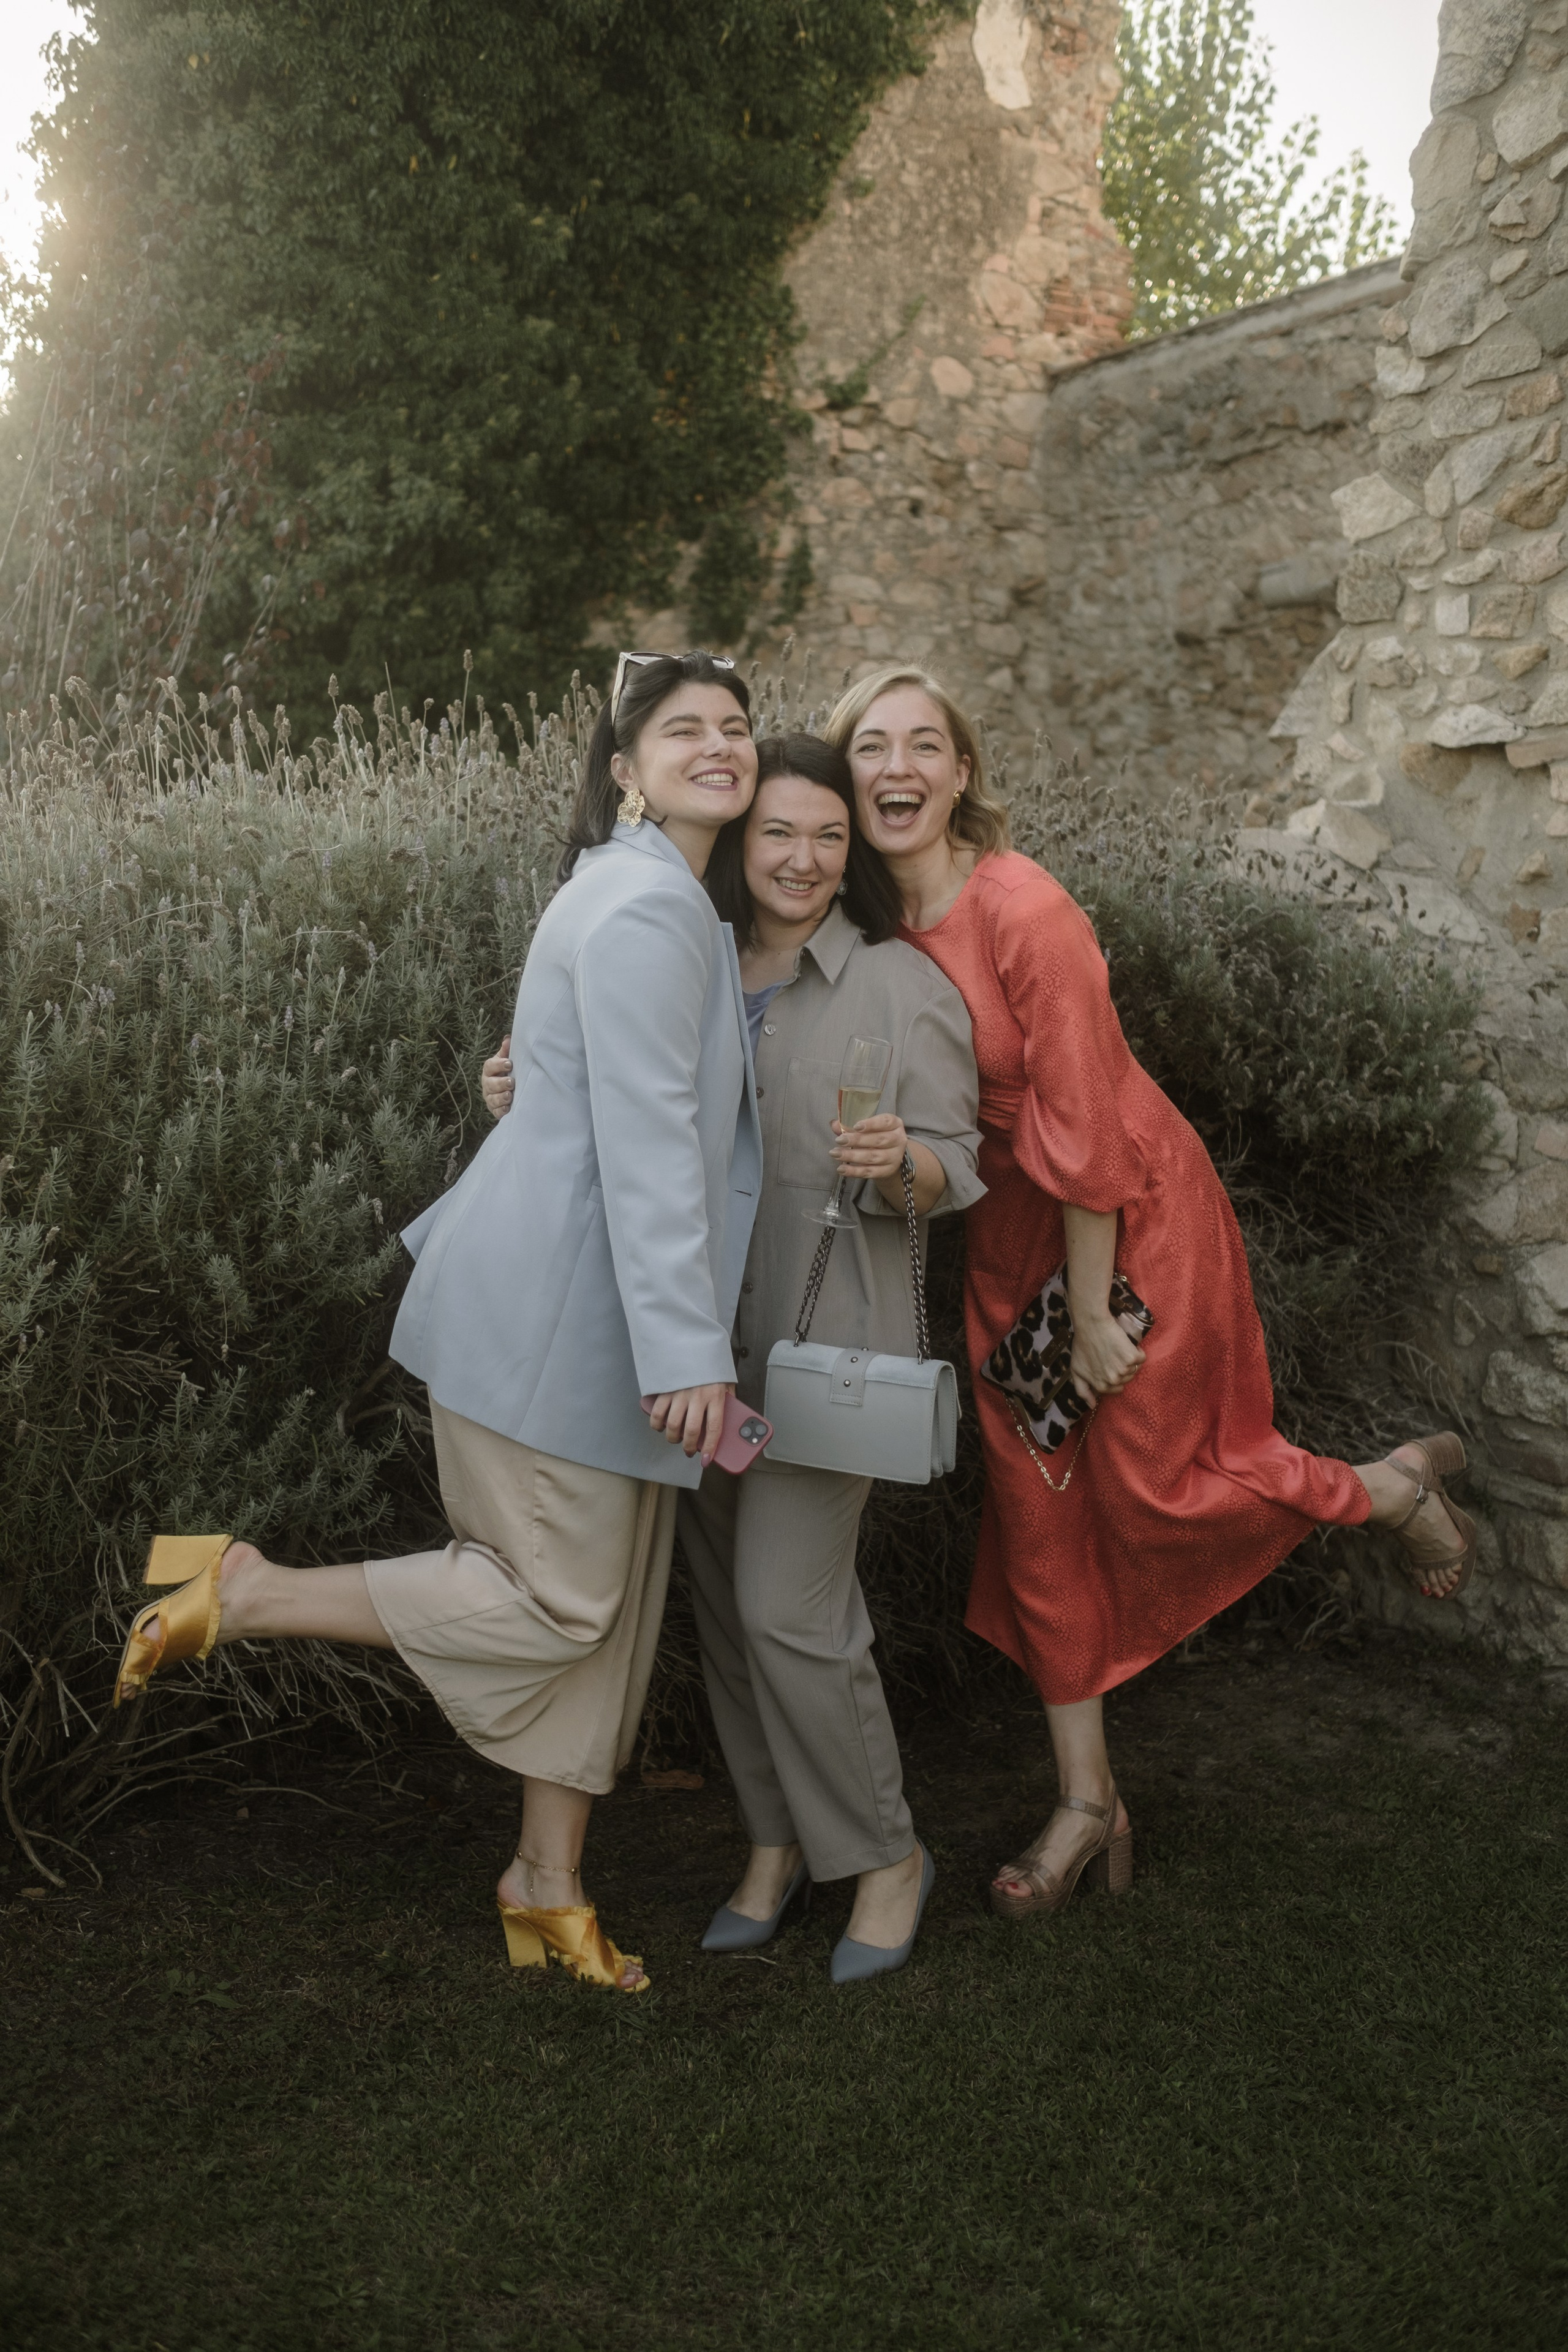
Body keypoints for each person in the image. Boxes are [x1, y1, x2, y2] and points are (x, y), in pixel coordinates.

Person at [113, 650, 764, 1994]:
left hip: (566, 1311)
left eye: (737, 727)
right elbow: (646, 1146)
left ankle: (546, 1884)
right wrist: (688, 1350)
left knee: (607, 1615)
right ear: (626, 770)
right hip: (567, 1325)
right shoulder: (646, 909)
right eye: (682, 728)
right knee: (559, 1602)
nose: (719, 745)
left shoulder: (639, 896)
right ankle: (244, 1591)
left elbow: (572, 1095)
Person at [823, 663, 1479, 1922]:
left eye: (922, 744)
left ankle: (1383, 1492)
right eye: (868, 748)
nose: (894, 768)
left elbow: (1079, 1118)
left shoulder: (1022, 906)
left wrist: (1085, 1316)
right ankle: (1086, 1804)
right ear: (843, 776)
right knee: (1038, 1513)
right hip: (1010, 1242)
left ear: (960, 773)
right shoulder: (866, 928)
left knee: (1166, 1478)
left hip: (1127, 1225)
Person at [483, 733, 982, 1983]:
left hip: (829, 1360)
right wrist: (525, 1093)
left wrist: (898, 1171)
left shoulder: (894, 985)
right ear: (735, 840)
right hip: (694, 1357)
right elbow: (626, 1134)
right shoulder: (681, 959)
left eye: (828, 835)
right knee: (723, 1614)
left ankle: (881, 1857)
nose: (804, 857)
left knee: (789, 1611)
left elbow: (955, 1165)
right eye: (777, 831)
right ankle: (769, 1847)